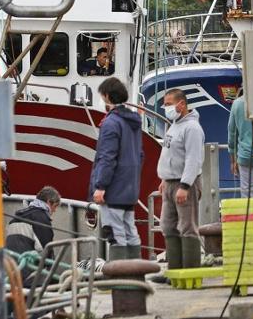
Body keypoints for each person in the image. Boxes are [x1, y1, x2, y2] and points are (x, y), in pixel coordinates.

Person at [153, 88, 205, 281]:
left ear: (181, 104)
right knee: (167, 225)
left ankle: (190, 273)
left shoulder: (191, 128)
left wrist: (184, 186)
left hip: (185, 184)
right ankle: (174, 271)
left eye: (168, 104)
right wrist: (164, 179)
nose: (166, 108)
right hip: (170, 183)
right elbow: (170, 154)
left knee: (187, 226)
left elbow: (193, 160)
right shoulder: (174, 125)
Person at [88, 78, 143, 260]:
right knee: (130, 230)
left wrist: (100, 185)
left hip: (113, 188)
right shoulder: (134, 122)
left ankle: (120, 279)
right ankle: (135, 273)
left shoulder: (111, 123)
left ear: (107, 96)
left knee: (115, 232)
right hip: (129, 187)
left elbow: (107, 156)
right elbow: (140, 155)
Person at [6, 185, 61, 260]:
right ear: (48, 202)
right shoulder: (42, 218)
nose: (54, 210)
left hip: (10, 265)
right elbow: (46, 251)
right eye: (55, 206)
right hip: (28, 267)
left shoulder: (15, 218)